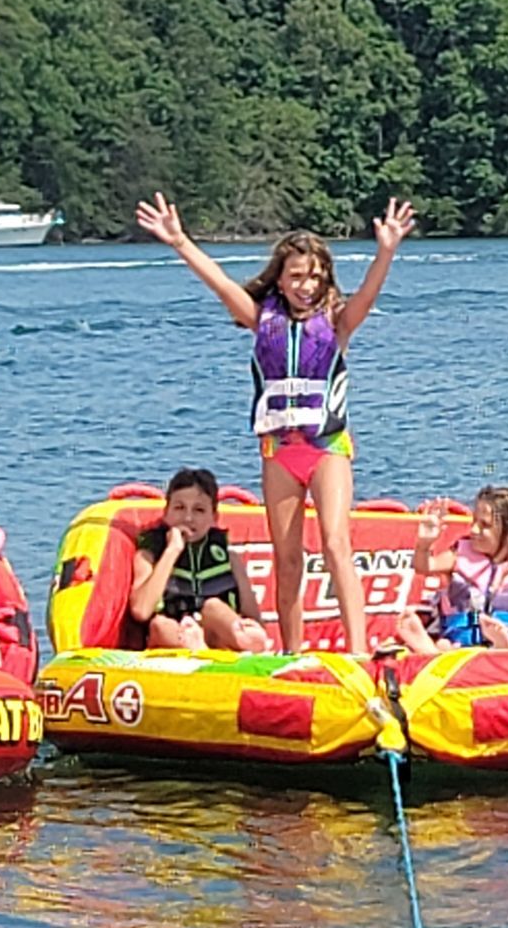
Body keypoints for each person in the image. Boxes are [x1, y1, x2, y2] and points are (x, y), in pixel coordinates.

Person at [135, 193, 415, 655]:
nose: (307, 285)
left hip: (327, 447)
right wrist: (180, 241)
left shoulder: (337, 322)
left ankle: (359, 650)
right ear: (280, 281)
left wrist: (386, 250)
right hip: (279, 451)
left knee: (334, 543)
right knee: (287, 559)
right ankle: (293, 651)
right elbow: (221, 284)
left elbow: (366, 295)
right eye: (296, 276)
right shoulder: (260, 319)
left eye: (315, 276)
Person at [129, 467, 269, 652]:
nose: (188, 518)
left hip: (216, 635)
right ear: (166, 513)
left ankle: (239, 639)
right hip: (174, 634)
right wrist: (172, 551)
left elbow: (254, 618)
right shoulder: (150, 555)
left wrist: (243, 627)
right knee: (160, 626)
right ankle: (191, 642)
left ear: (214, 518)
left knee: (214, 607)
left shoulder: (230, 559)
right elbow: (141, 610)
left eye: (199, 510)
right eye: (179, 508)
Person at [396, 486, 508, 653]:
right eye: (474, 521)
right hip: (459, 642)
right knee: (445, 645)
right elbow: (423, 566)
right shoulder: (460, 554)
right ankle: (432, 651)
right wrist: (424, 544)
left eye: (485, 525)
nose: (473, 530)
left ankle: (503, 647)